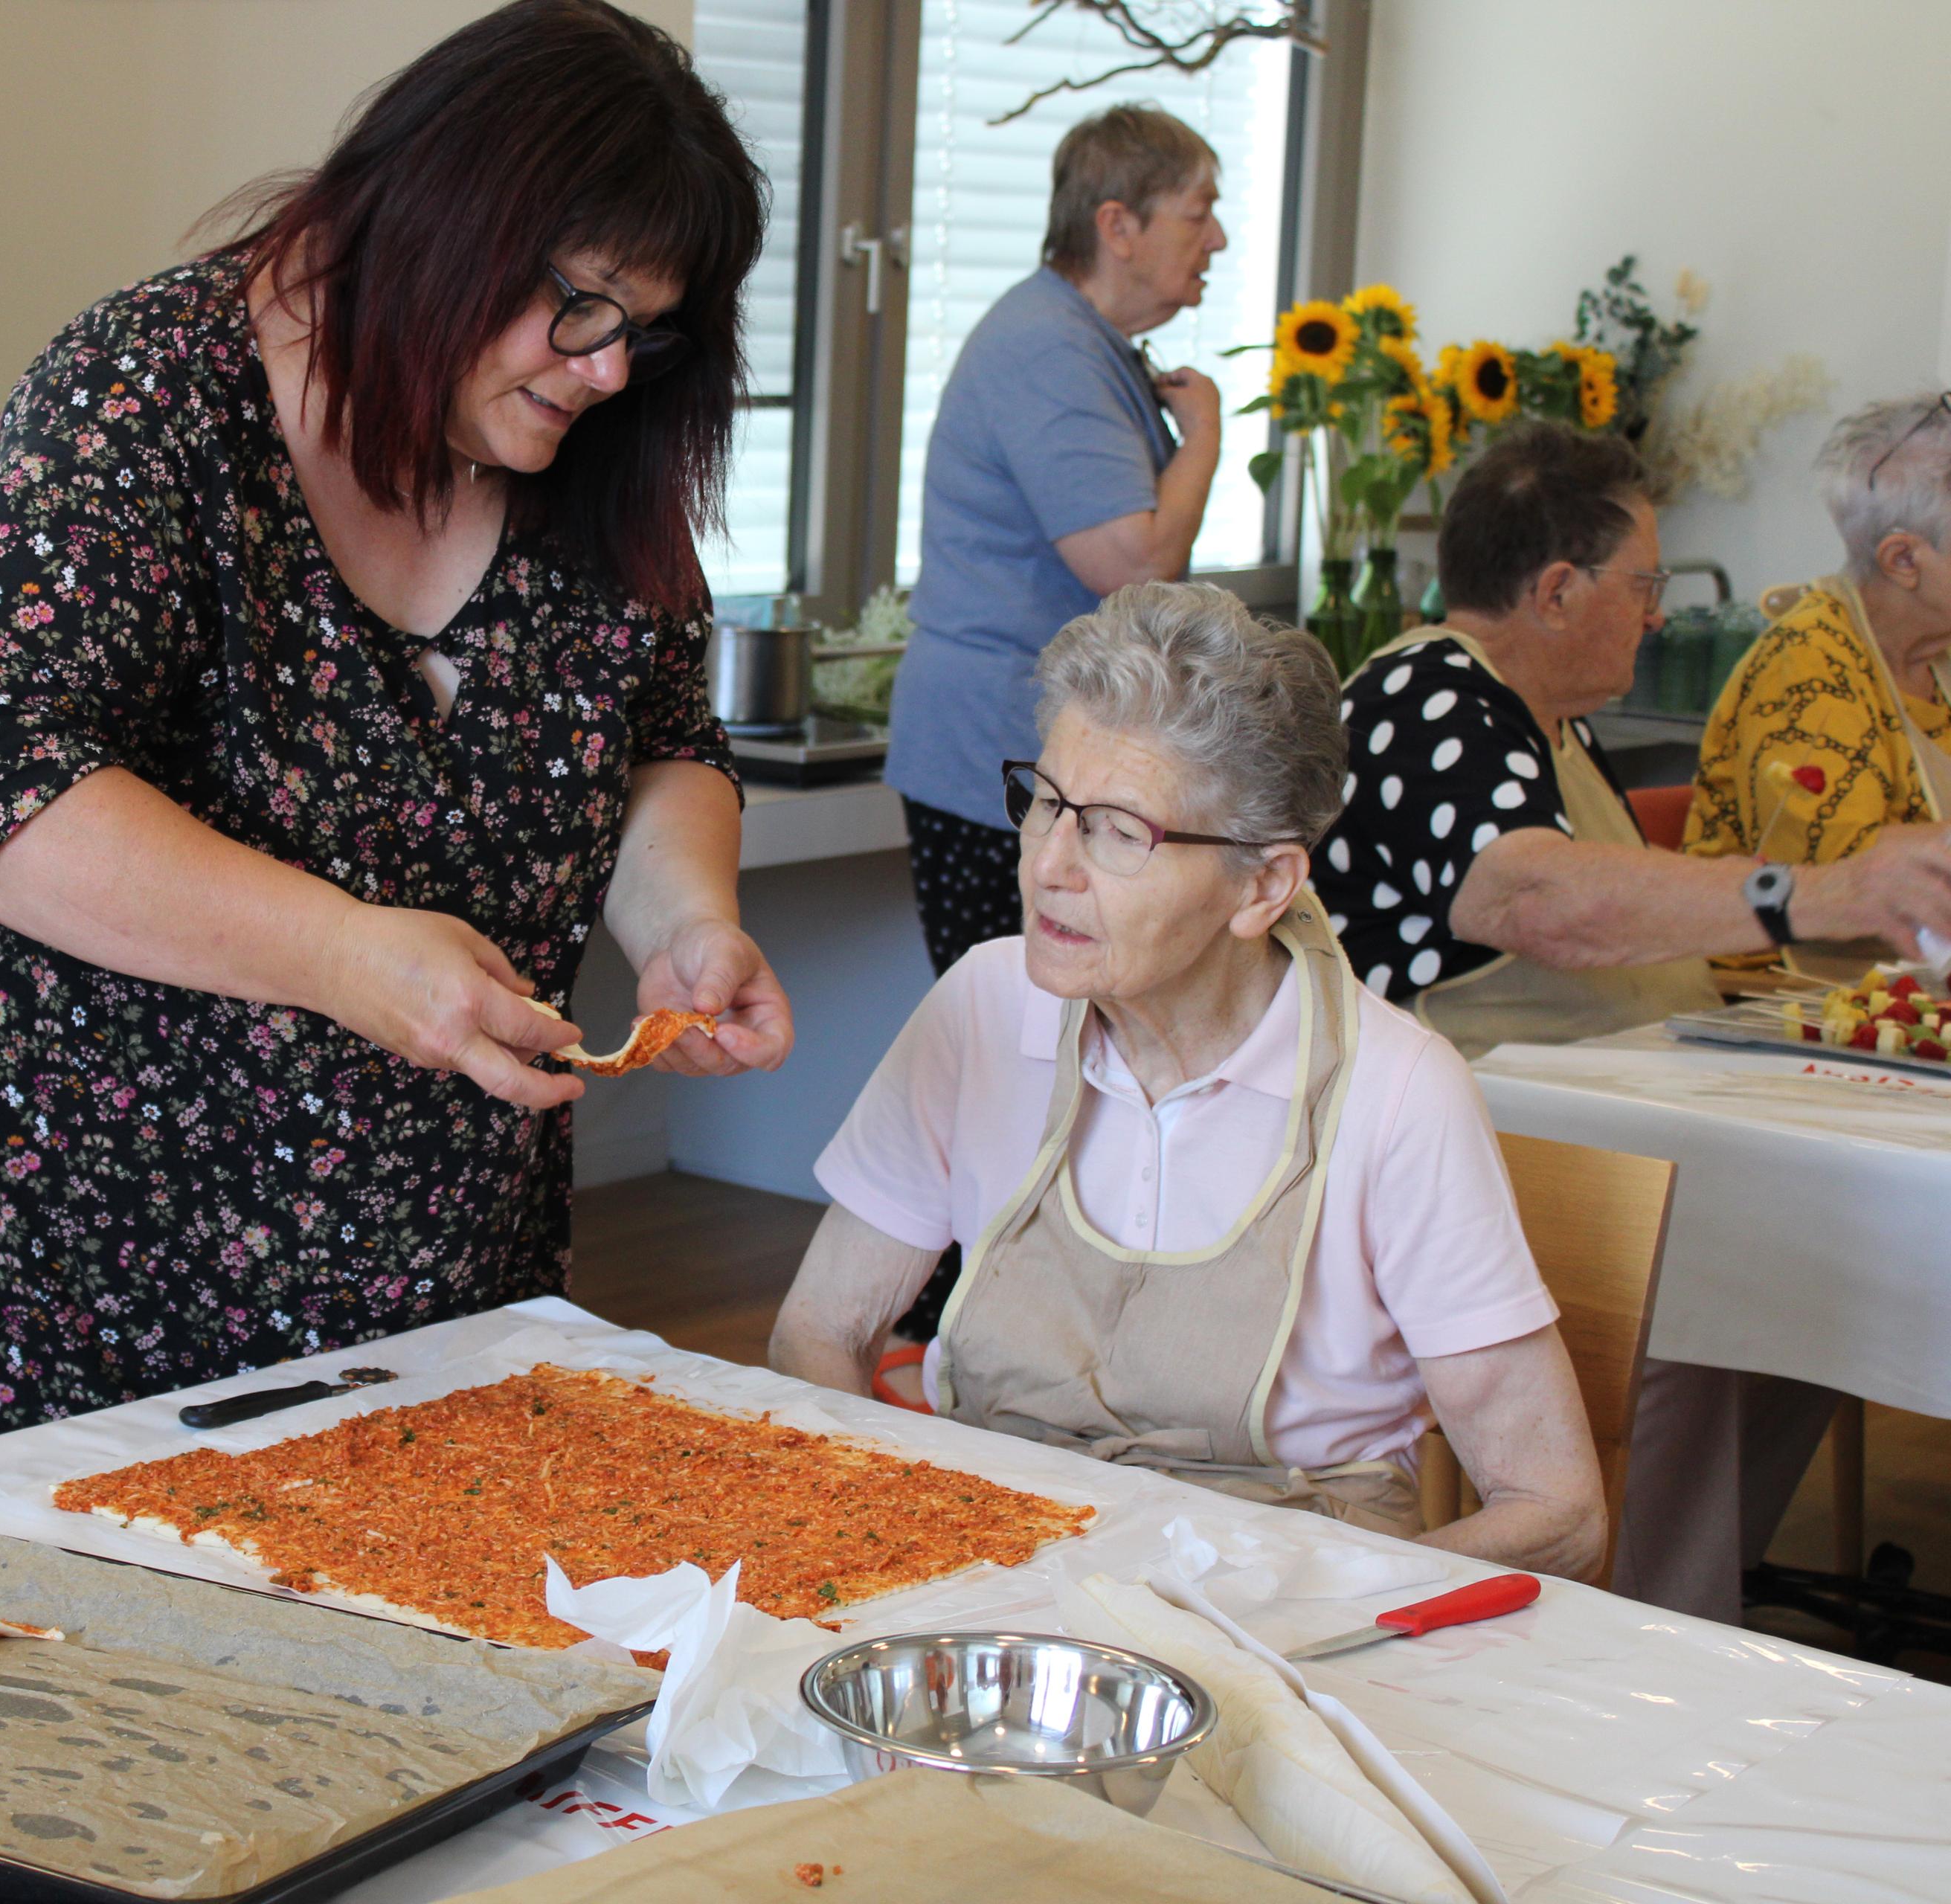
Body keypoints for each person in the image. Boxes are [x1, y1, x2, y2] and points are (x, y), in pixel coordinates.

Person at [0, 0, 792, 1442]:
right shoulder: (154, 388)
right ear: (447, 221)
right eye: (580, 306)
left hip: (421, 1203)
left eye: (650, 333)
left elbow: (661, 741)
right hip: (95, 1197)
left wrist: (688, 923)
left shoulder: (596, 459)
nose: (612, 369)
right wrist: (344, 953)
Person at [773, 582, 1605, 1577]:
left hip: (1280, 1613)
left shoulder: (1395, 1093)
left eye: (1120, 833)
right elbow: (820, 1331)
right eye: (1046, 802)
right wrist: (887, 1545)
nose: (1049, 867)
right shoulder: (986, 1008)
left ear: (1264, 886)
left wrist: (1324, 1622)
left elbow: (1558, 1512)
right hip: (991, 1579)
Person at [1317, 422, 1951, 1060]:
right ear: (1557, 592)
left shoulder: (1546, 714)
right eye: (1645, 585)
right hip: (1500, 1127)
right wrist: (1828, 894)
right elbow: (1537, 900)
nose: (1657, 616)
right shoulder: (1423, 698)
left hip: (1620, 1095)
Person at [889, 102, 1229, 977]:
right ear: (1117, 226)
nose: (1219, 238)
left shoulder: (1081, 342)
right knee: (1023, 1038)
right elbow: (1134, 565)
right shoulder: (1048, 349)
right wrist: (1204, 438)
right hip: (994, 750)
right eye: (1199, 212)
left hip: (1016, 743)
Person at [1688, 392, 1951, 884]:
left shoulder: (1939, 648)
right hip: (1789, 956)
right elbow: (1835, 871)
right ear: (1903, 561)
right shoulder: (1807, 666)